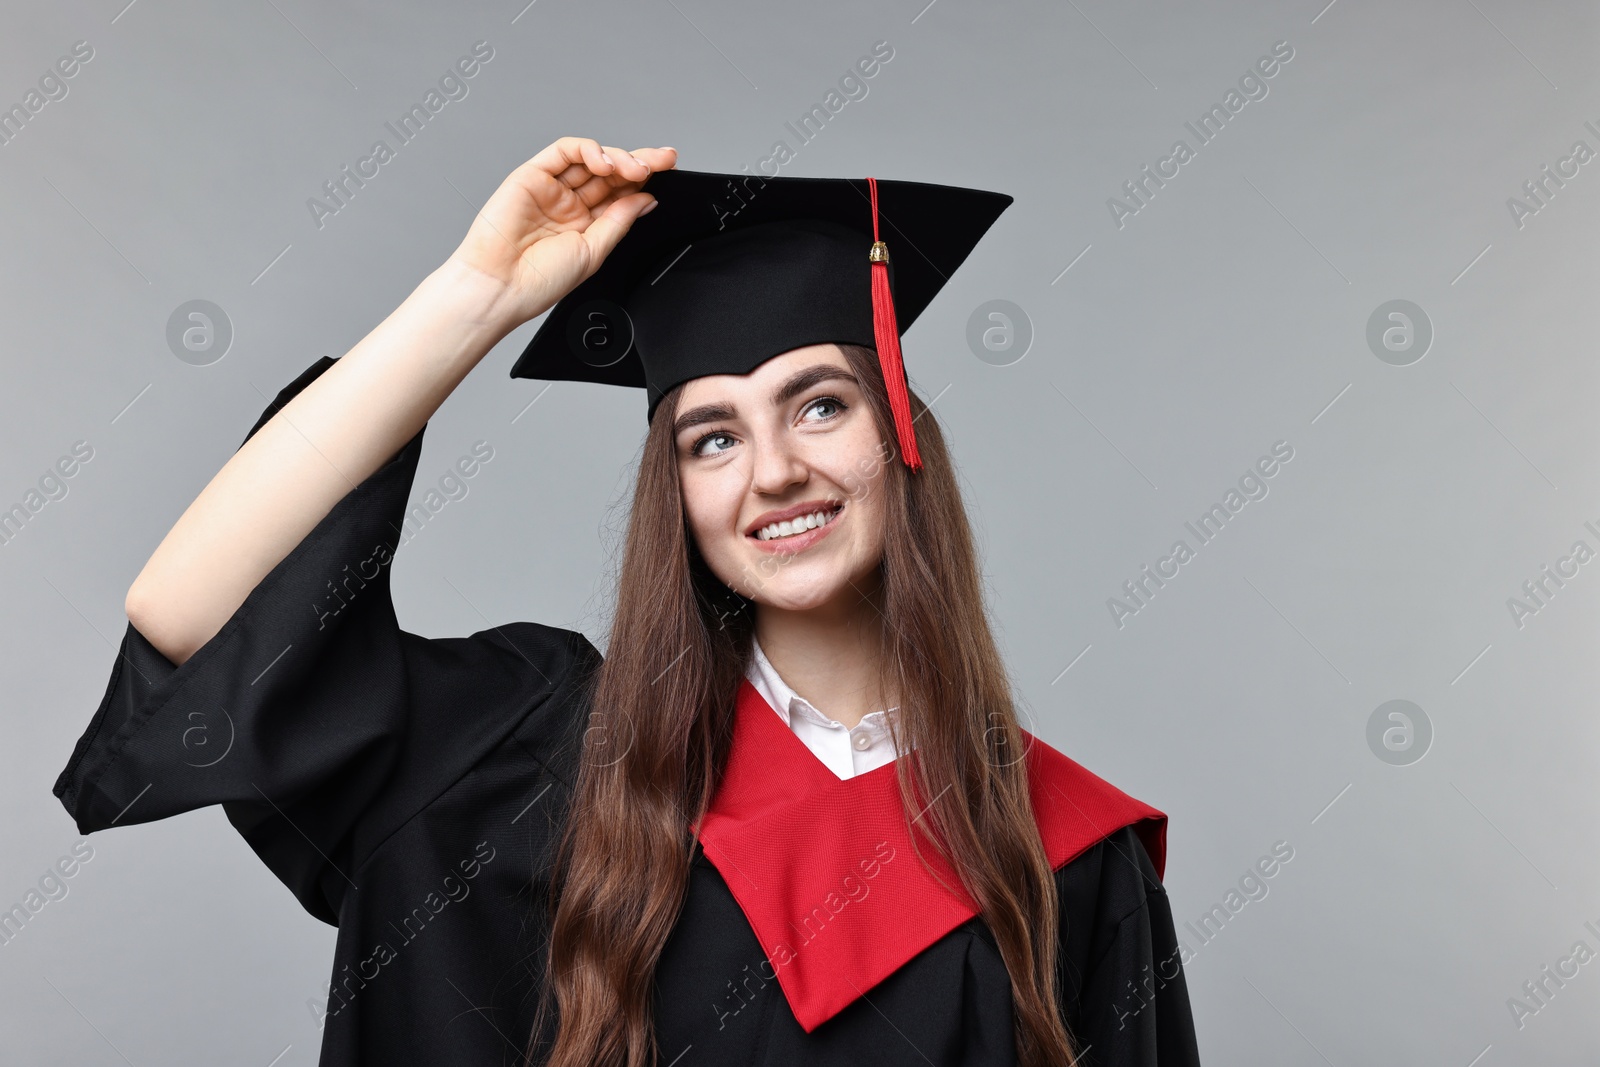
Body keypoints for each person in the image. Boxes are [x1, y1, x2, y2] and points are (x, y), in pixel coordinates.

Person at [53, 137, 1201, 1067]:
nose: (772, 472)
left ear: (902, 434)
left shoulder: (1061, 855)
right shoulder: (528, 755)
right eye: (712, 436)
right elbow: (195, 615)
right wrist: (478, 294)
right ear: (678, 495)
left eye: (819, 406)